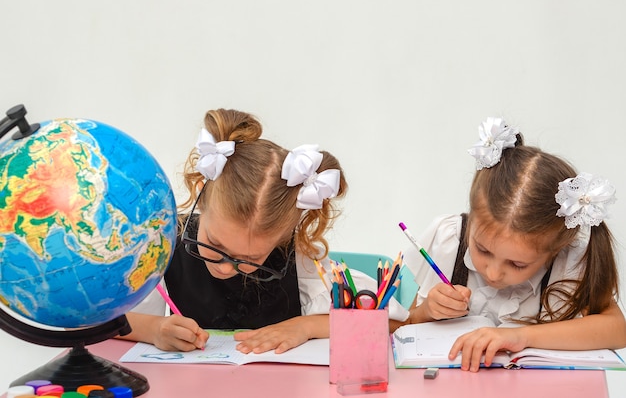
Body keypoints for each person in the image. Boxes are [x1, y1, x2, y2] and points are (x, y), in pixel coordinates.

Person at [121, 108, 409, 353]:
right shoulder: (163, 244)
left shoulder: (297, 261)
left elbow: (393, 321)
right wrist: (155, 329)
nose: (224, 267)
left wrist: (306, 326)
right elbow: (96, 320)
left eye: (248, 260)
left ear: (282, 239)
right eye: (214, 245)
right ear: (201, 194)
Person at [401, 117, 626, 372]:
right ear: (472, 219)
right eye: (483, 250)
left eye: (518, 264)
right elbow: (399, 326)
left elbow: (617, 330)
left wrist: (522, 337)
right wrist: (427, 311)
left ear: (555, 250)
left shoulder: (569, 262)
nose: (494, 273)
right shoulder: (448, 239)